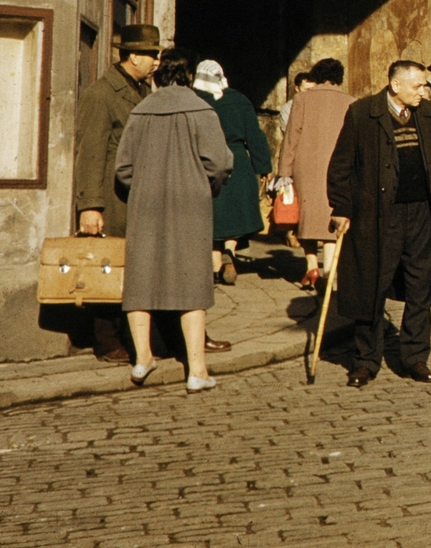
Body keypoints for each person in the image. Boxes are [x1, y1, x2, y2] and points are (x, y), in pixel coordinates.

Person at [328, 60, 431, 388]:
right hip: (378, 216)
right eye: (418, 86)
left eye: (426, 86)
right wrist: (341, 208)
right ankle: (366, 361)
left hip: (421, 215)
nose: (424, 92)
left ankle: (415, 356)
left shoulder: (427, 114)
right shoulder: (363, 113)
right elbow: (342, 164)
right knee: (372, 286)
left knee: (420, 287)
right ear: (396, 86)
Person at [115, 48, 233, 392]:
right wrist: (204, 184)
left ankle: (142, 359)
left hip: (146, 204)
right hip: (191, 205)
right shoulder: (202, 110)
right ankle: (197, 370)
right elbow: (221, 163)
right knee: (193, 284)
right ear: (189, 77)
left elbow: (123, 168)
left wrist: (144, 186)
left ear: (156, 75)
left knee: (140, 280)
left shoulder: (140, 111)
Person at [72, 23, 161, 363]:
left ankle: (128, 334)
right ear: (132, 56)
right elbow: (91, 152)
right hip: (111, 198)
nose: (155, 61)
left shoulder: (140, 91)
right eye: (151, 55)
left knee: (129, 268)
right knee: (107, 267)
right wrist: (90, 206)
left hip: (135, 198)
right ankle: (105, 340)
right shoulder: (102, 94)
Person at [279, 58, 355, 291]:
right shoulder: (351, 102)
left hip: (306, 167)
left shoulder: (301, 100)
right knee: (331, 217)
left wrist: (284, 172)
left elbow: (291, 137)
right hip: (338, 167)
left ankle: (311, 265)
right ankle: (329, 271)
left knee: (307, 217)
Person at [193, 60, 271, 286]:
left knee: (214, 218)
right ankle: (230, 251)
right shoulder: (239, 99)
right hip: (237, 162)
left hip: (205, 161)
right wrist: (263, 167)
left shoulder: (194, 100)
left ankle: (216, 265)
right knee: (233, 218)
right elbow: (255, 136)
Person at [279, 71, 312, 135]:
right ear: (297, 88)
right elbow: (288, 131)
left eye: (312, 90)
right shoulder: (288, 108)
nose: (310, 93)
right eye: (306, 90)